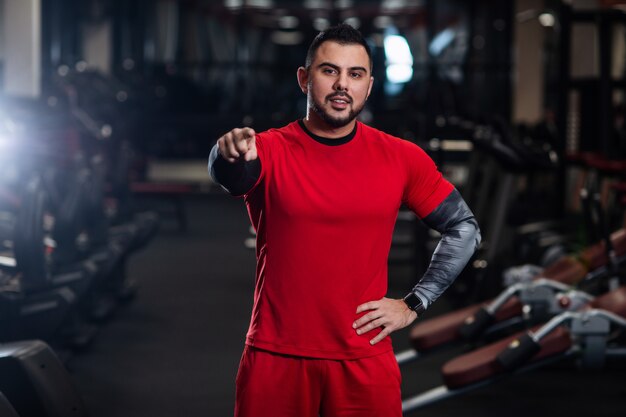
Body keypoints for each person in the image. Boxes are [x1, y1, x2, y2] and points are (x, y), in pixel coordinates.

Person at [208, 23, 481, 417]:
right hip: (276, 355)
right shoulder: (266, 149)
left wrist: (414, 303)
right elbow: (229, 175)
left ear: (369, 85)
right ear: (305, 79)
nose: (342, 85)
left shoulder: (401, 158)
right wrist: (225, 152)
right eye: (329, 70)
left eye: (355, 74)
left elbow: (464, 228)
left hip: (363, 357)